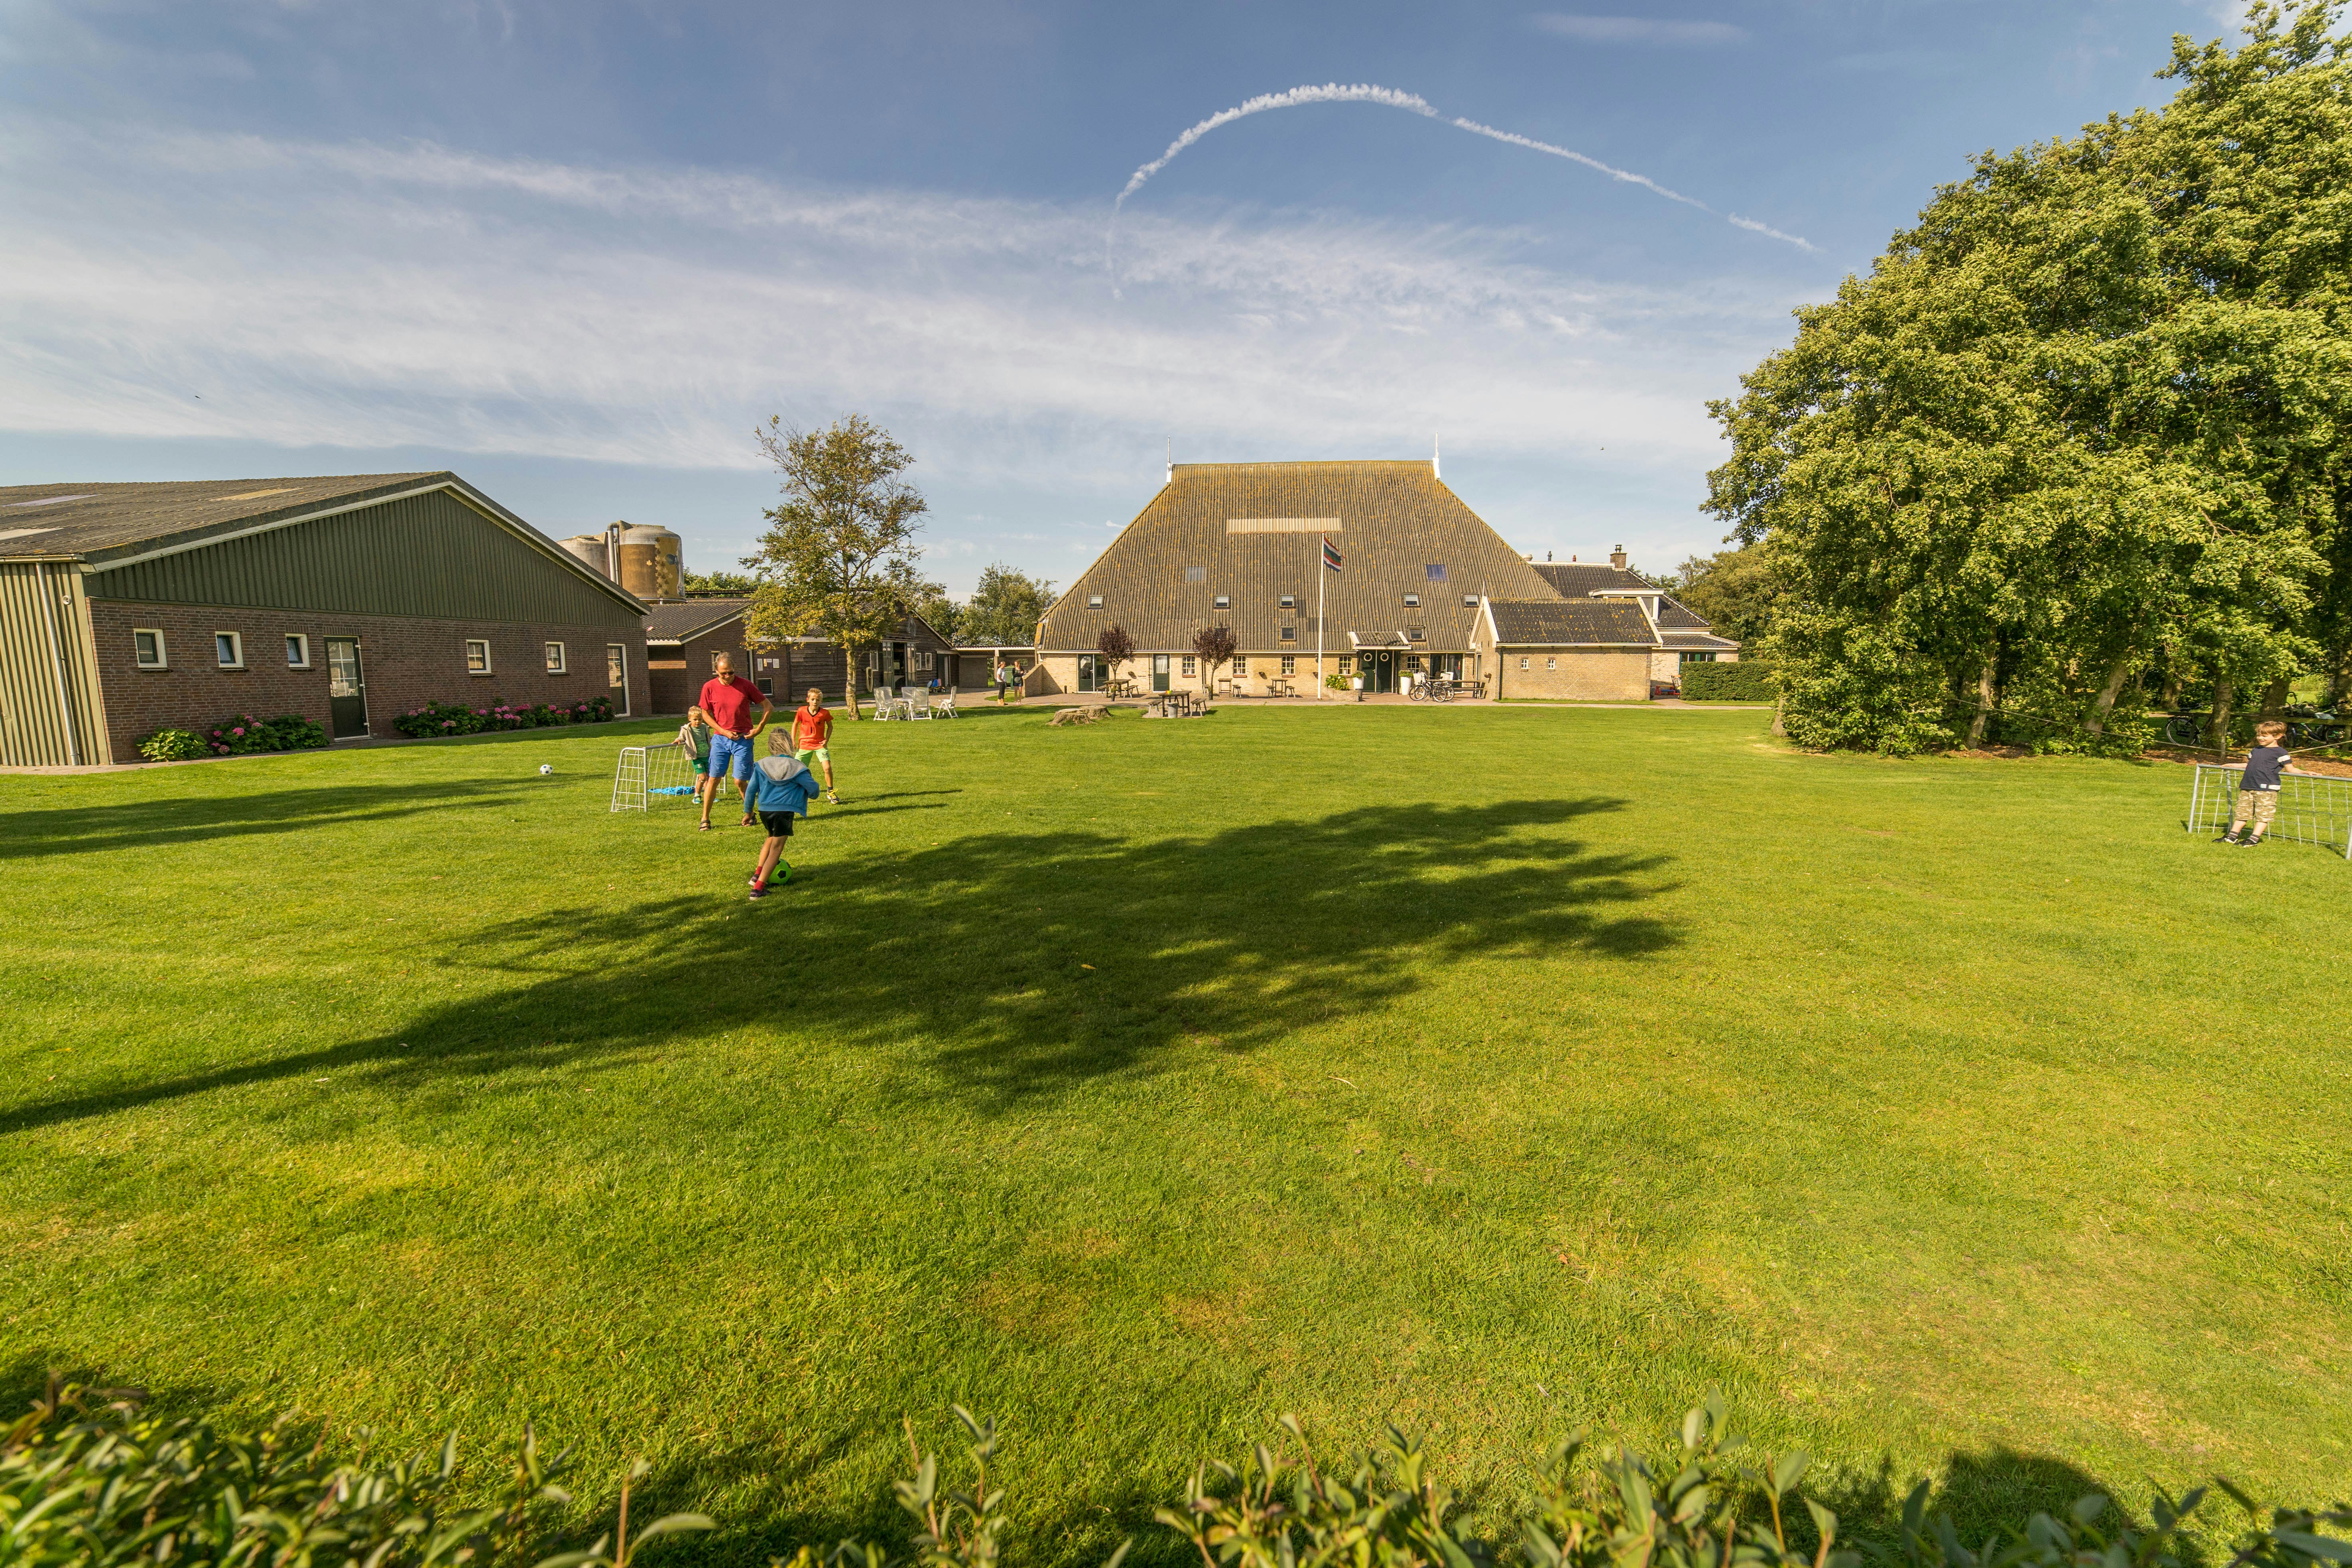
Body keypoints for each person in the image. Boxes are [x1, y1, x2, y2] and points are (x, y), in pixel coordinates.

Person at [697, 652, 773, 830]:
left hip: (743, 739)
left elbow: (768, 706)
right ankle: (705, 819)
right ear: (716, 671)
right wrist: (723, 731)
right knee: (713, 779)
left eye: (730, 673)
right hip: (720, 739)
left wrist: (759, 728)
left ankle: (750, 813)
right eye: (723, 673)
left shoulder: (745, 685)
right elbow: (705, 714)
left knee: (740, 781)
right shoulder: (709, 687)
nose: (727, 677)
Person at [744, 730, 823, 899]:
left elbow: (750, 791)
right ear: (789, 744)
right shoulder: (796, 767)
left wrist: (748, 812)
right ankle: (758, 889)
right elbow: (814, 790)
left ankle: (757, 875)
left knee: (770, 838)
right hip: (783, 812)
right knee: (777, 848)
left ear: (770, 745)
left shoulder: (761, 765)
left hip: (765, 811)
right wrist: (812, 793)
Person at [2222, 718, 2300, 845]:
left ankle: (2254, 839)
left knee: (2263, 815)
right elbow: (2250, 765)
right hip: (2248, 786)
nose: (2260, 738)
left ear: (2278, 736)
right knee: (2242, 813)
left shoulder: (2281, 753)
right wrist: (2233, 764)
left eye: (2264, 736)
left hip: (2267, 790)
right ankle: (2232, 837)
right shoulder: (2256, 750)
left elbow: (2291, 769)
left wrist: (2307, 773)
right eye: (2259, 735)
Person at [791, 687, 842, 804]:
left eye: (818, 700)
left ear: (821, 701)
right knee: (796, 770)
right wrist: (793, 740)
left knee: (827, 767)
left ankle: (831, 792)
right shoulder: (801, 711)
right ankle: (794, 793)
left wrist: (826, 740)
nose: (815, 702)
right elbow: (795, 724)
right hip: (804, 745)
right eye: (813, 699)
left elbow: (830, 726)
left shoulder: (825, 713)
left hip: (820, 745)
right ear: (808, 700)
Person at [675, 705, 718, 829]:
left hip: (706, 756)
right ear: (690, 719)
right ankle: (697, 795)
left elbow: (708, 739)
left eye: (700, 719)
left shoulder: (705, 728)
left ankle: (708, 796)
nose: (698, 722)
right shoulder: (687, 729)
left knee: (709, 778)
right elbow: (681, 737)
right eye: (695, 720)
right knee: (703, 777)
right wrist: (678, 740)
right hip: (696, 757)